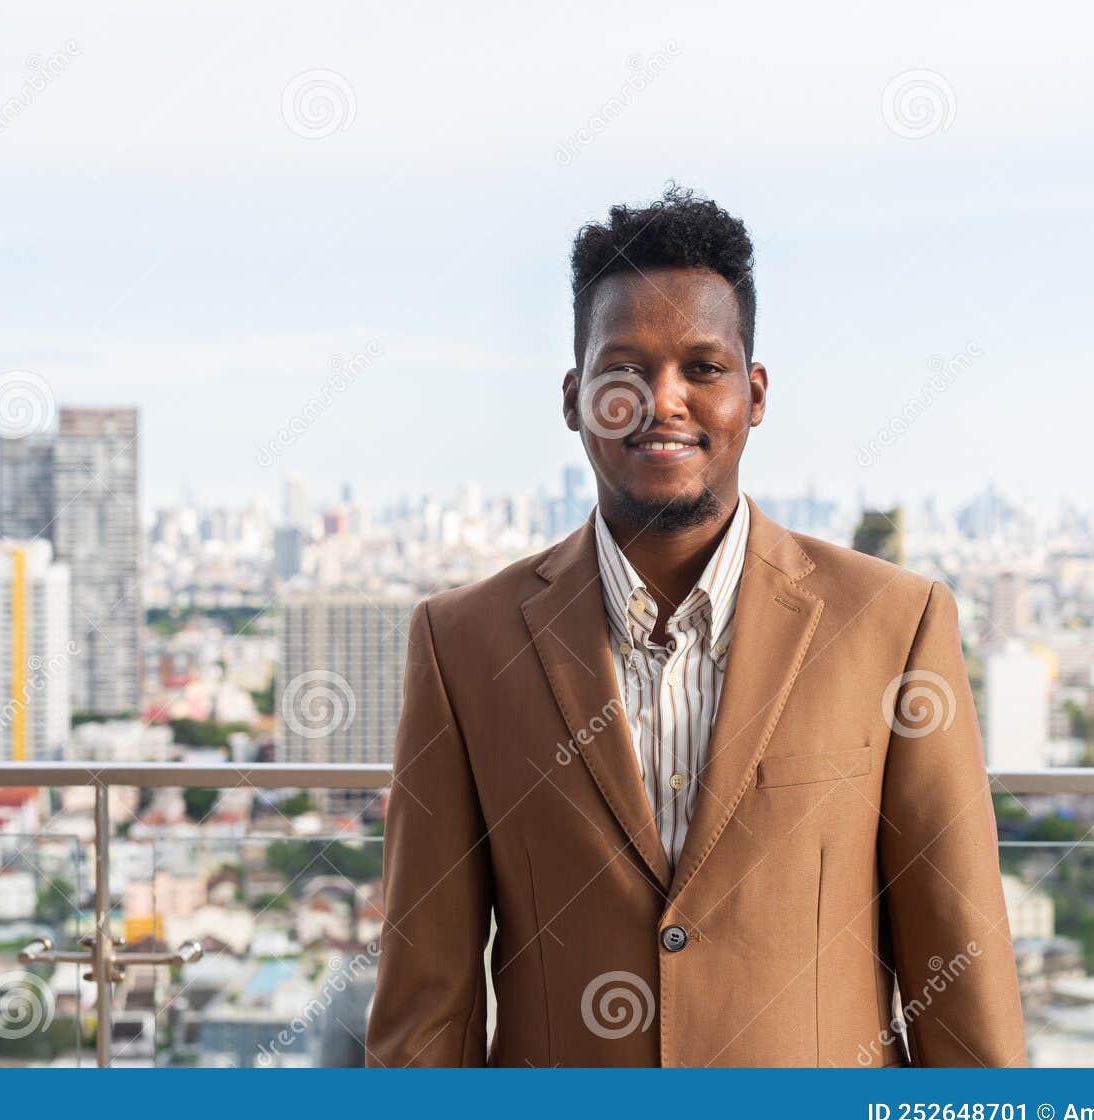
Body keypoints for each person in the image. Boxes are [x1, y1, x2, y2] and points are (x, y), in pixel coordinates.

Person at [366, 186, 1025, 1067]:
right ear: (575, 398)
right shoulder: (461, 644)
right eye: (624, 371)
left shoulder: (892, 624)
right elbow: (426, 1003)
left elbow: (960, 971)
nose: (662, 401)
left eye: (702, 370)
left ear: (753, 395)